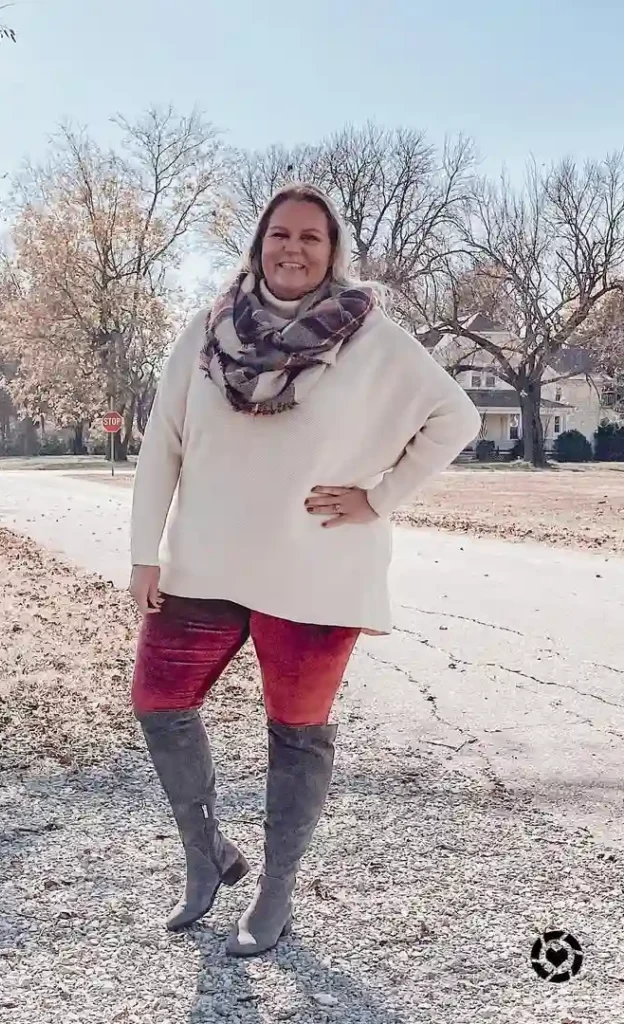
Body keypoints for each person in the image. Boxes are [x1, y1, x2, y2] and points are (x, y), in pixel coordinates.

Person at [128, 183, 481, 957]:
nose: (292, 249)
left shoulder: (370, 336)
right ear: (258, 246)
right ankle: (206, 859)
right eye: (279, 235)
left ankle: (276, 893)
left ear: (333, 251)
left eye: (310, 238)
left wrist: (379, 497)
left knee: (297, 734)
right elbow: (164, 444)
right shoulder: (208, 329)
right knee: (158, 701)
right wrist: (144, 552)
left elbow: (458, 415)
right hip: (203, 565)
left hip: (317, 573)